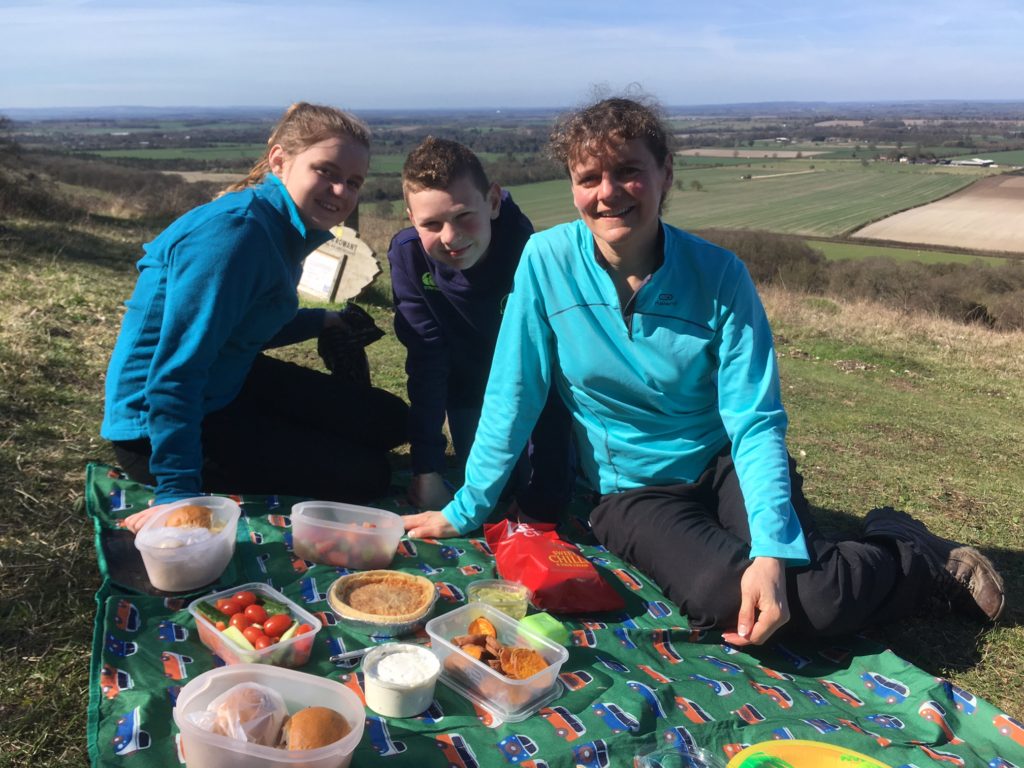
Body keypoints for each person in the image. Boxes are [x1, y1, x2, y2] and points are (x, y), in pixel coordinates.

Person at [401, 96, 1005, 645]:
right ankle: (895, 552)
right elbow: (514, 392)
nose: (608, 192)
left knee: (797, 587)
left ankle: (910, 557)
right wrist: (466, 508)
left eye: (629, 171)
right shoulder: (545, 261)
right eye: (589, 178)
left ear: (665, 175)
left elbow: (755, 418)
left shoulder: (720, 275)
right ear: (573, 187)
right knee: (735, 602)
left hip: (724, 464)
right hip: (630, 492)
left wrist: (770, 549)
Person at [102, 102, 408, 533]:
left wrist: (322, 321)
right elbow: (175, 373)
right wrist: (176, 490)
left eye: (353, 182)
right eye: (326, 172)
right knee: (368, 475)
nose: (340, 192)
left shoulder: (284, 227)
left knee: (391, 419)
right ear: (279, 160)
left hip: (227, 379)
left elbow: (242, 325)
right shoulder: (237, 236)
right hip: (154, 425)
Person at [389, 137, 574, 521]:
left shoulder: (530, 253)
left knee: (542, 491)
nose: (450, 237)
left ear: (492, 201)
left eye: (462, 216)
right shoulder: (407, 256)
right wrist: (427, 468)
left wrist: (547, 491)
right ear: (410, 217)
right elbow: (426, 360)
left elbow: (550, 369)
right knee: (492, 494)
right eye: (431, 223)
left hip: (535, 394)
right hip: (467, 390)